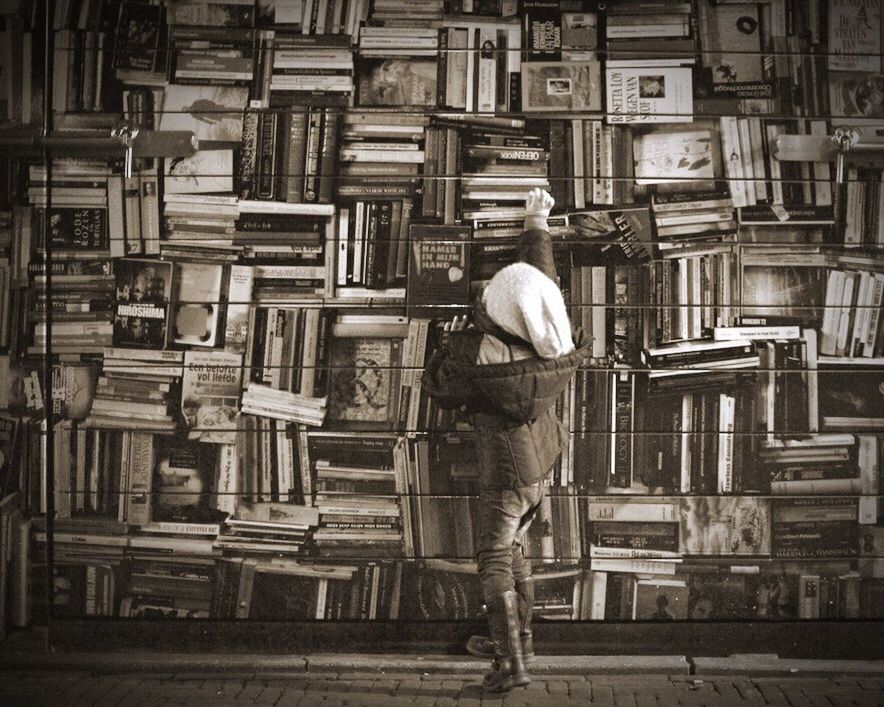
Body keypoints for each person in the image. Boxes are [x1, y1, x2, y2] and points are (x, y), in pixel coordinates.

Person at [421, 189, 590, 693]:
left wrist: (447, 343)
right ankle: (523, 641)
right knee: (516, 549)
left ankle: (512, 664)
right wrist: (535, 222)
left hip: (506, 468)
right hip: (540, 462)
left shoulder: (478, 351)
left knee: (493, 556)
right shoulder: (550, 342)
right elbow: (539, 284)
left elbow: (439, 389)